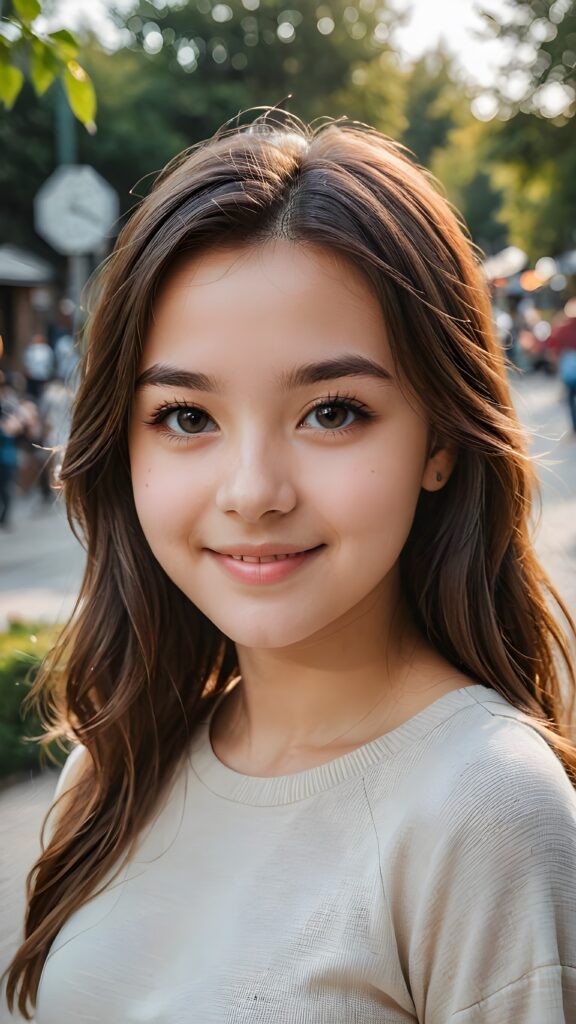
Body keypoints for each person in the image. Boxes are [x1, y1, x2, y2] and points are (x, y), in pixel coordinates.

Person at [3, 113, 576, 1024]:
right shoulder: (111, 772)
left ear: (440, 440)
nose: (253, 491)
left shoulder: (486, 811)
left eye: (333, 411)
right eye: (188, 417)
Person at [545, 298, 576, 432]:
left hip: (569, 369)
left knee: (570, 397)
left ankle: (574, 427)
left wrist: (557, 363)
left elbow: (552, 347)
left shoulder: (561, 327)